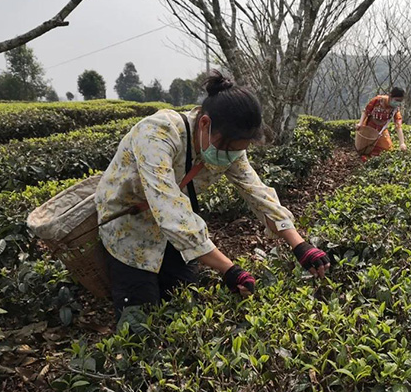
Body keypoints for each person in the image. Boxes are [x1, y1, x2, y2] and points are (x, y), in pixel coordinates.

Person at [95, 71, 330, 320]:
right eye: (229, 149)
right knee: (141, 319)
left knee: (184, 307)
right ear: (205, 124)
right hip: (130, 231)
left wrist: (299, 244)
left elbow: (256, 192)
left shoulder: (229, 146)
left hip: (174, 236)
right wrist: (229, 269)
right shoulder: (157, 134)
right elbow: (169, 211)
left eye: (239, 150)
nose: (232, 155)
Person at [356, 87, 407, 160]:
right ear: (390, 96)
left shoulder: (395, 109)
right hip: (369, 127)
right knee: (366, 147)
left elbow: (398, 126)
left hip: (381, 130)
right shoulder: (378, 100)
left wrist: (402, 143)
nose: (398, 103)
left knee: (387, 149)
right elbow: (366, 111)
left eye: (400, 101)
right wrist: (360, 124)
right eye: (397, 100)